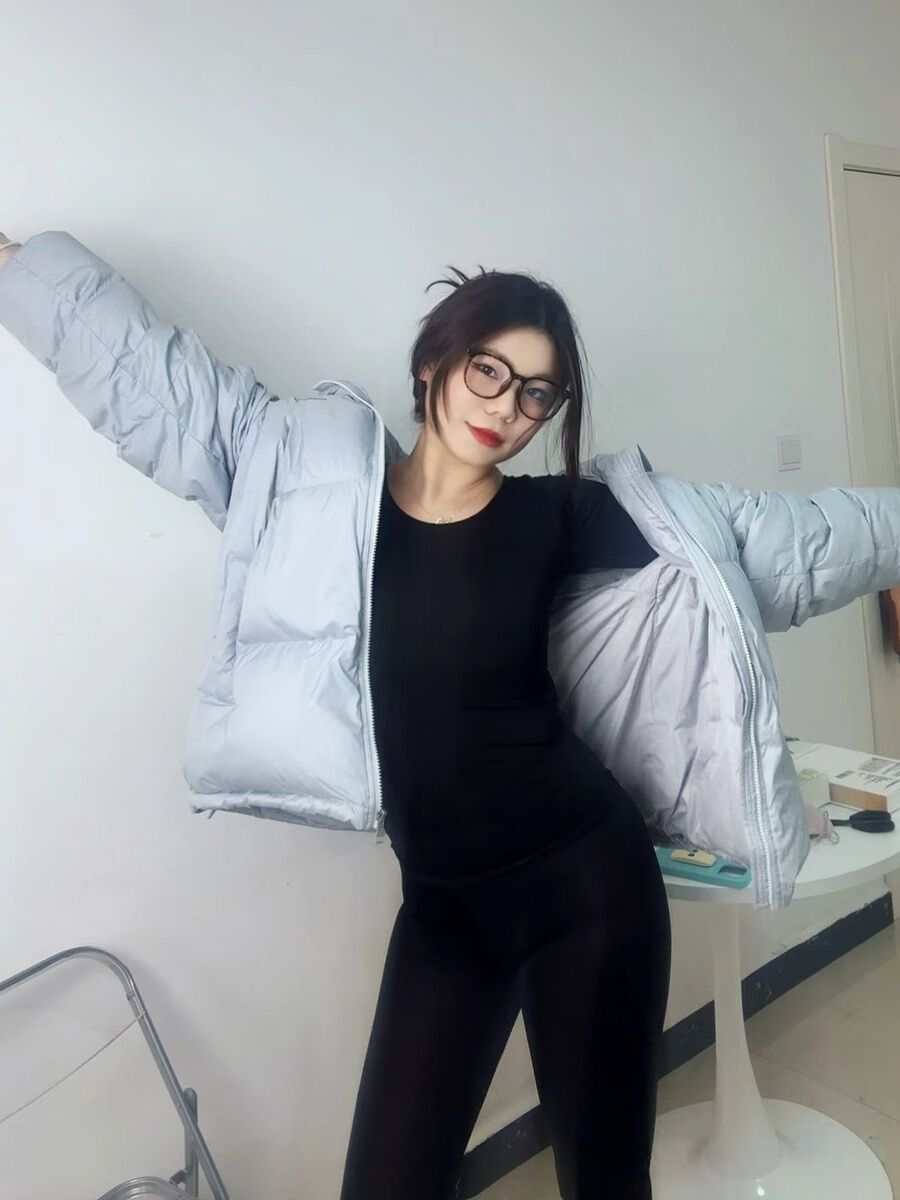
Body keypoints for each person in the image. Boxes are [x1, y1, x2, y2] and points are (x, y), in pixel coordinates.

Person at [339, 273, 671, 1199]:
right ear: (432, 362)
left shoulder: (557, 513)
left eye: (536, 393)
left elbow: (753, 542)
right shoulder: (338, 517)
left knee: (606, 1184)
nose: (506, 408)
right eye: (489, 371)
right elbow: (180, 404)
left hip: (588, 888)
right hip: (444, 915)